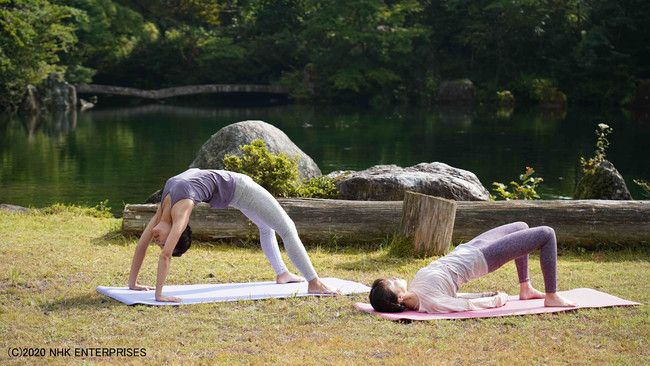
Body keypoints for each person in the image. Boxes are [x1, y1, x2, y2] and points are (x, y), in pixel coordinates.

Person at [128, 168, 341, 302]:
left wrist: (159, 294)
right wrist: (133, 284)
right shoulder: (163, 212)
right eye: (162, 243)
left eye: (164, 242)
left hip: (241, 188)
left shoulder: (181, 210)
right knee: (266, 227)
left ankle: (314, 282)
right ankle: (283, 274)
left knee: (286, 228)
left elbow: (165, 256)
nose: (158, 242)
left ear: (178, 229)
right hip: (232, 195)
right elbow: (141, 246)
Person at [369, 222, 577, 313]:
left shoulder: (416, 288)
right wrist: (495, 299)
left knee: (521, 227)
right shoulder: (429, 303)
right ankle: (552, 296)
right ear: (398, 298)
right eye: (392, 281)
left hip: (470, 248)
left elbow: (457, 296)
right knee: (547, 234)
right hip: (483, 258)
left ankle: (526, 288)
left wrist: (484, 292)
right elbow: (463, 305)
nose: (395, 277)